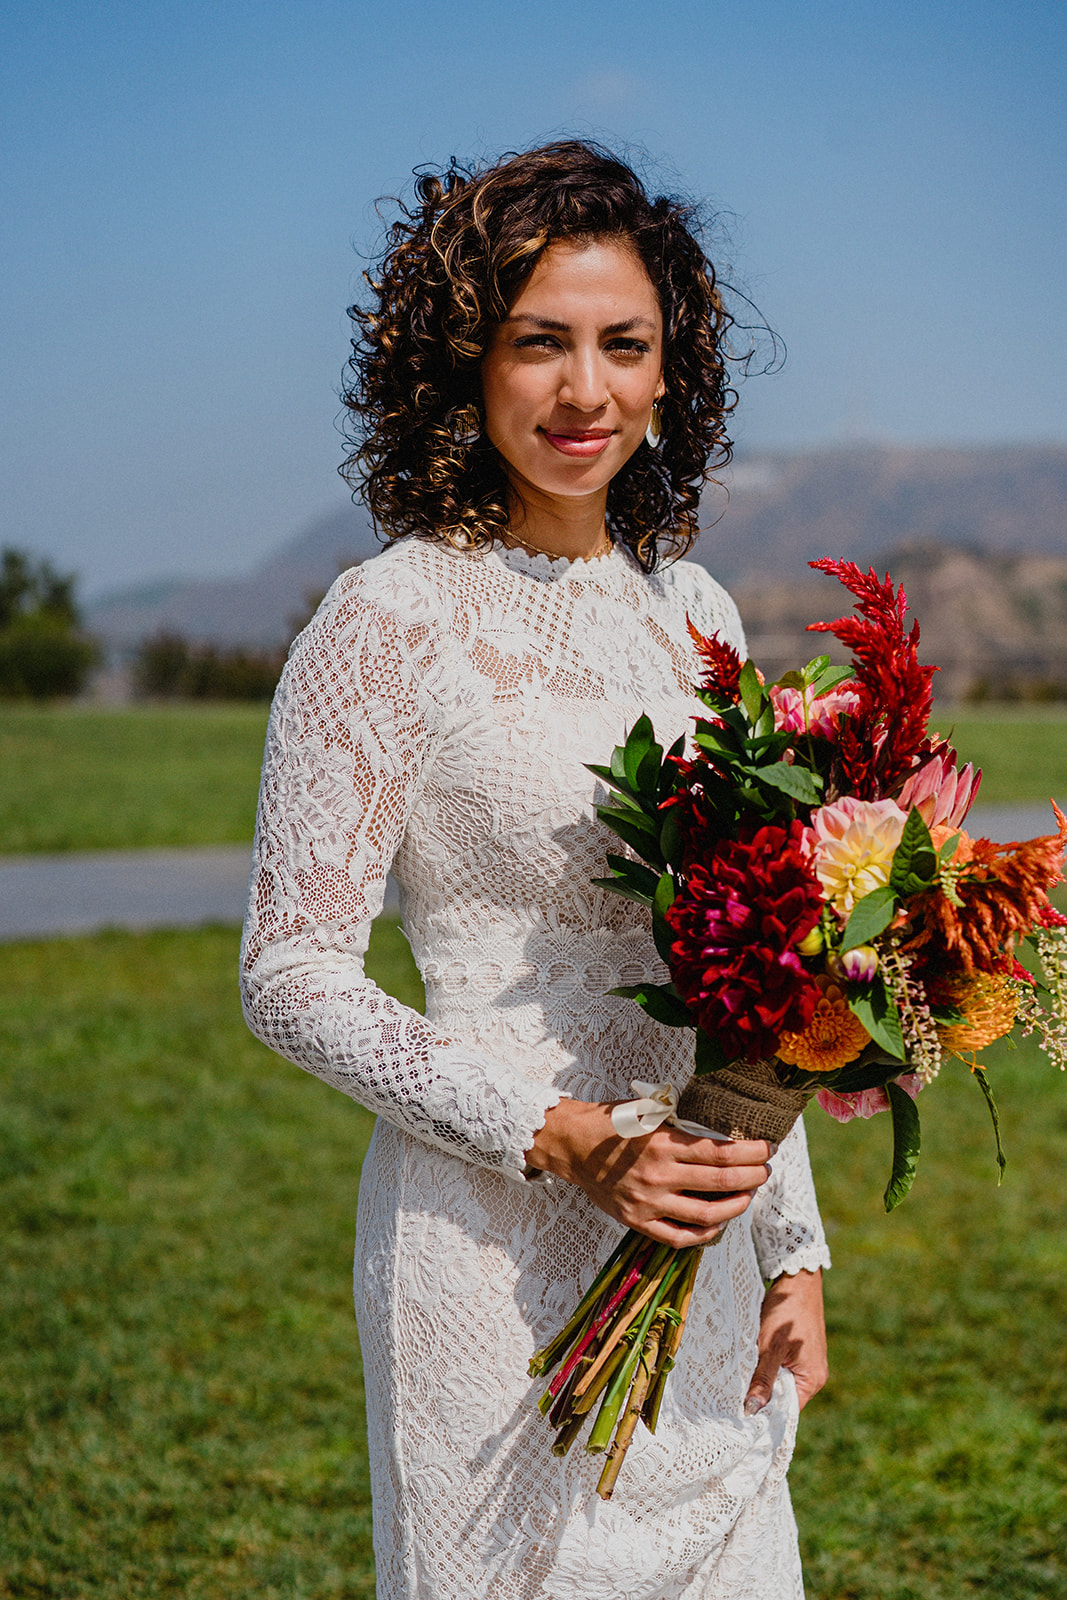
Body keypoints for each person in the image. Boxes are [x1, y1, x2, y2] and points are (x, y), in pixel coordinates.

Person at [241, 139, 830, 1600]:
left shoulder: (697, 616)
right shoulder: (385, 620)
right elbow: (290, 974)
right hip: (482, 1243)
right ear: (465, 360)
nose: (586, 392)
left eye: (624, 346)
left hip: (702, 1237)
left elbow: (765, 972)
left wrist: (795, 1250)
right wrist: (566, 1137)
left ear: (668, 369)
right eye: (538, 343)